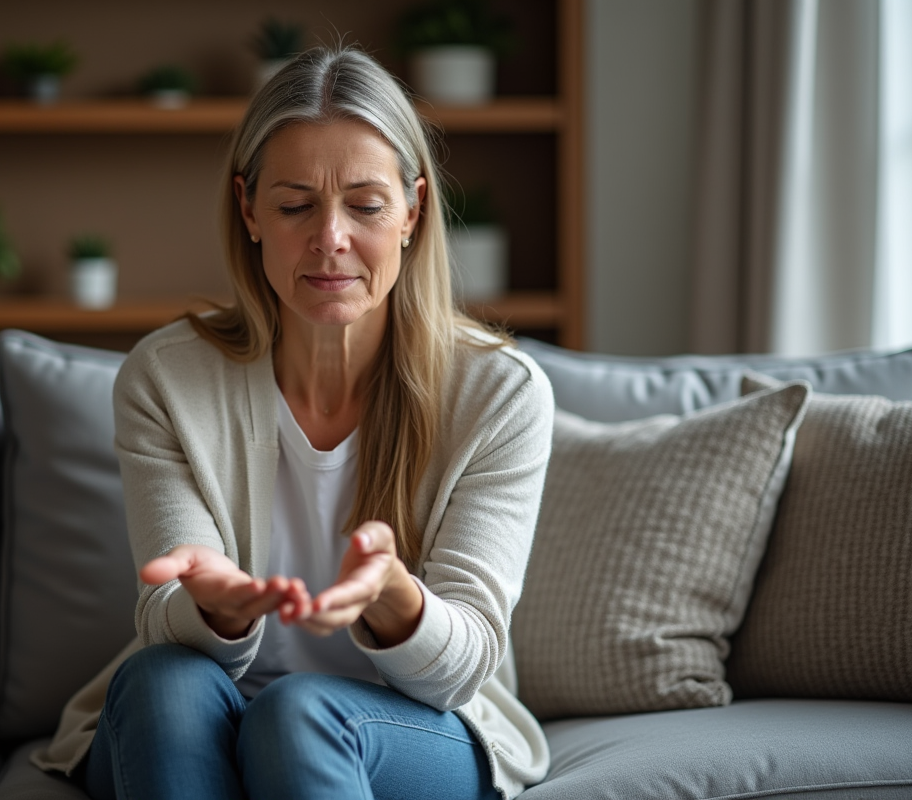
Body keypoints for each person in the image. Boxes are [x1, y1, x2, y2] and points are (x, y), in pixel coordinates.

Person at [32, 45, 554, 800]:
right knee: (163, 682)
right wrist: (214, 610)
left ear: (412, 210)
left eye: (366, 206)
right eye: (295, 204)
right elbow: (164, 620)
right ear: (248, 209)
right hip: (202, 716)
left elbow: (465, 663)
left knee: (296, 714)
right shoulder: (167, 379)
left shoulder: (500, 394)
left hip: (403, 725)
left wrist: (394, 598)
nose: (330, 238)